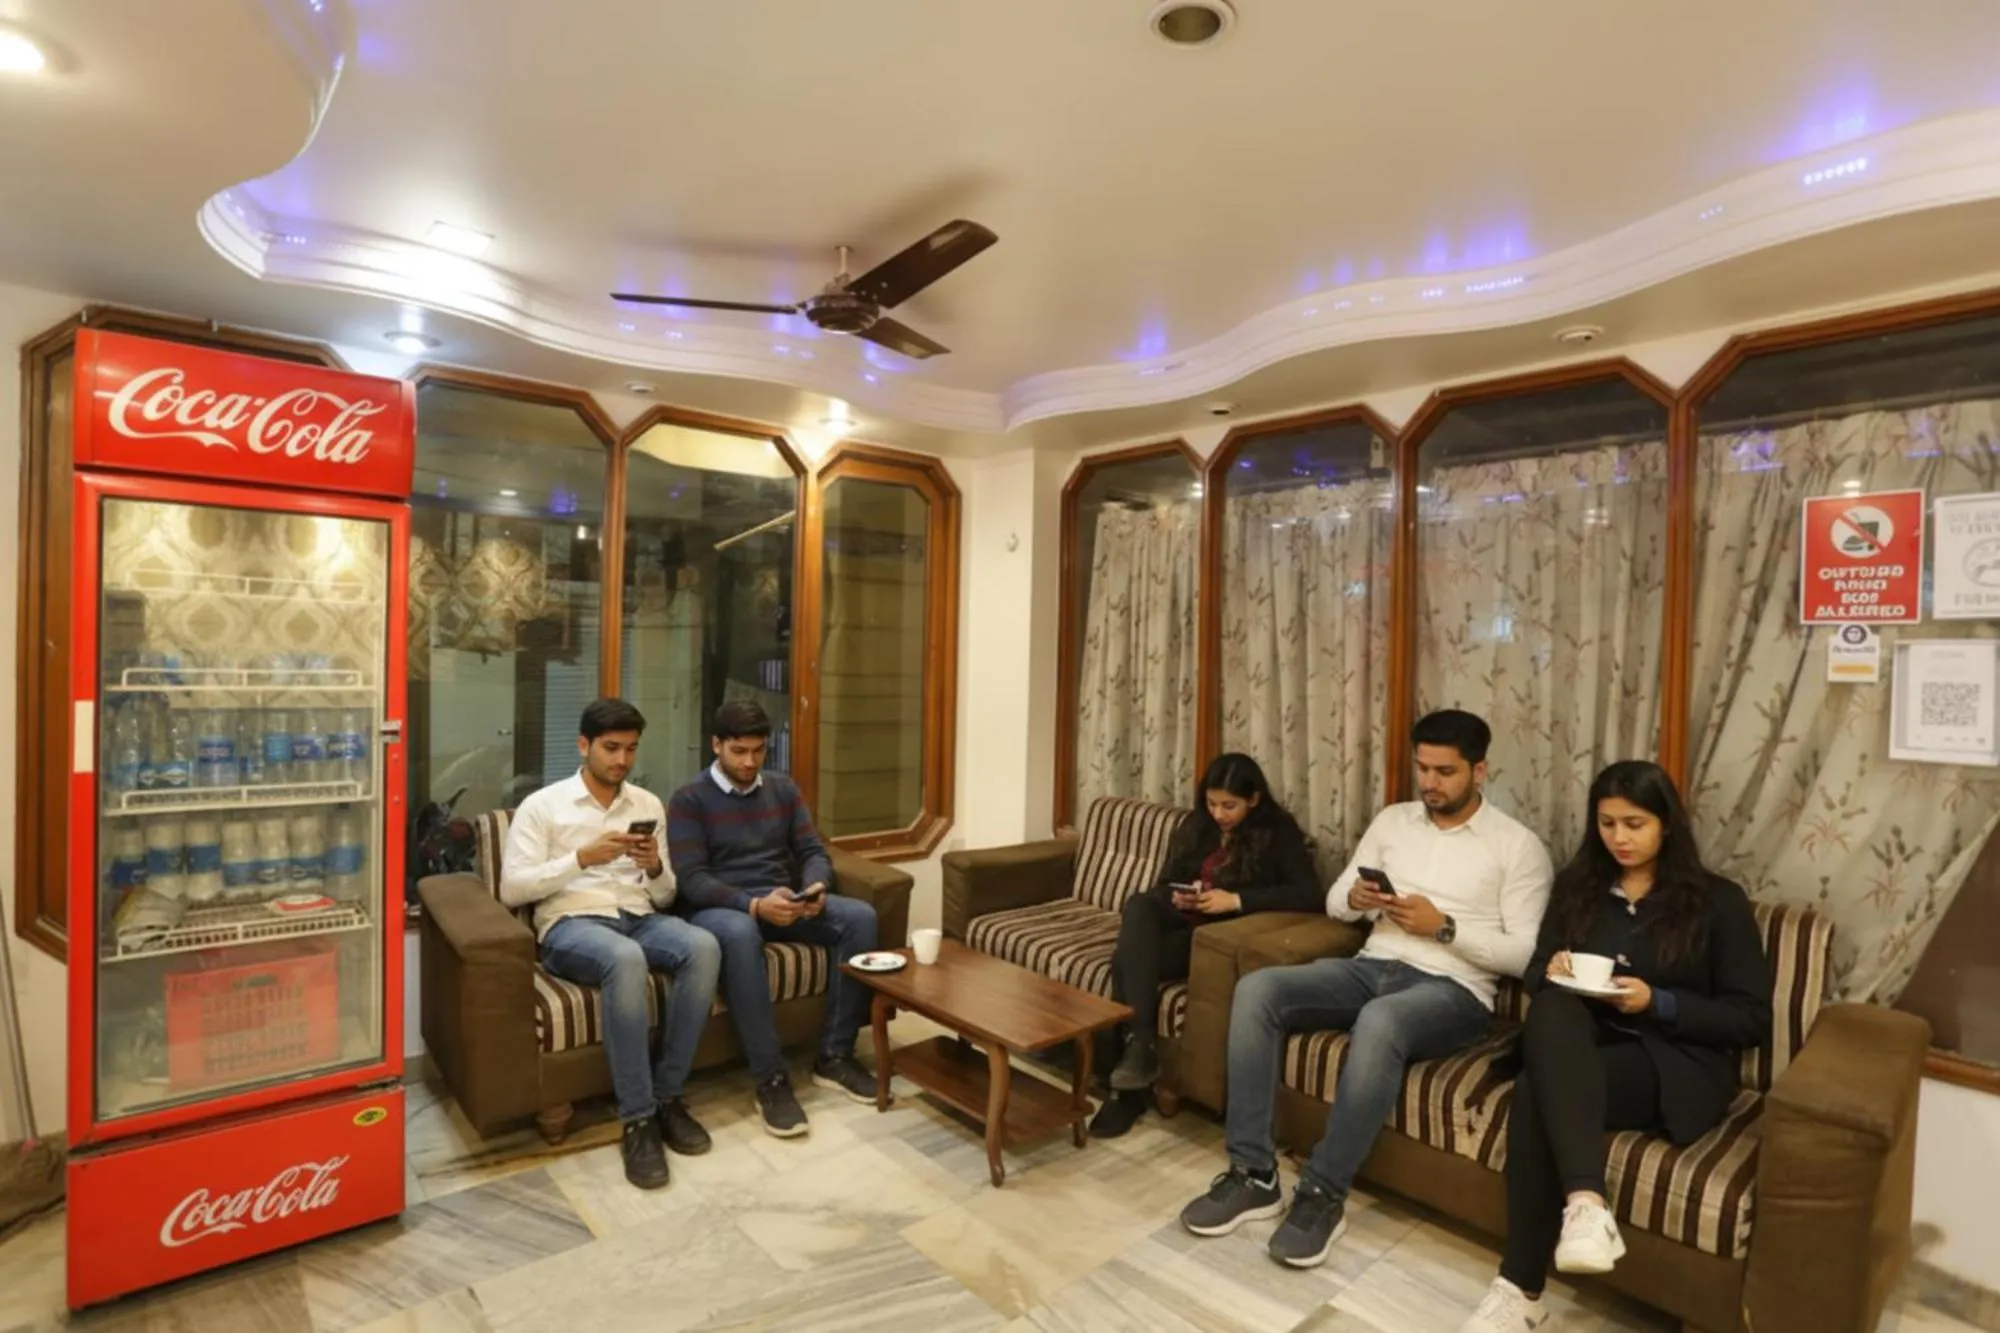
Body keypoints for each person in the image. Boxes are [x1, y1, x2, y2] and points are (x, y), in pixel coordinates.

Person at [1179, 709, 1552, 1269]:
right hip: (1372, 964)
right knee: (1258, 991)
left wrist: (1444, 927)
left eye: (1445, 772)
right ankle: (1253, 1174)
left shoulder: (1518, 848)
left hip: (1454, 991)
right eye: (1422, 768)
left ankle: (1323, 1194)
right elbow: (1333, 899)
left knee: (1381, 1022)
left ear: (1480, 771)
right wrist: (1356, 901)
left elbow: (1526, 956)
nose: (1429, 783)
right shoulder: (1394, 821)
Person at [1459, 760, 1771, 1333]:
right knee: (1552, 1004)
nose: (1620, 838)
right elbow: (1533, 974)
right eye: (1607, 824)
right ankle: (1586, 1207)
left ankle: (1522, 1288)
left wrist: (1658, 1002)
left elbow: (1751, 1018)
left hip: (1676, 1061)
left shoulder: (1717, 902)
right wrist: (1552, 970)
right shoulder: (1579, 888)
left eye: (1635, 824)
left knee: (1536, 1089)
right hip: (1583, 1044)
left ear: (1667, 826)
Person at [499, 698, 719, 1192]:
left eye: (631, 750)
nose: (621, 760)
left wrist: (654, 867)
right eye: (611, 748)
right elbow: (512, 889)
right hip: (572, 923)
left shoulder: (646, 805)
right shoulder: (544, 806)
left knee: (703, 946)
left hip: (637, 915)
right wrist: (581, 857)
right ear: (584, 745)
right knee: (625, 958)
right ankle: (638, 1119)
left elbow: (663, 896)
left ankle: (667, 1098)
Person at [666, 699, 879, 1138]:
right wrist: (752, 904)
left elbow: (813, 852)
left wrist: (817, 886)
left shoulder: (783, 790)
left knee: (860, 918)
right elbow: (691, 879)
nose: (749, 761)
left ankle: (835, 1057)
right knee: (743, 932)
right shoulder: (690, 799)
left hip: (783, 900)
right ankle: (771, 1079)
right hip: (720, 910)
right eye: (738, 751)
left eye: (758, 751)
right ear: (716, 745)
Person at [1091, 752, 1322, 1139]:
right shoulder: (1197, 826)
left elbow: (1309, 895)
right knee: (1140, 907)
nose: (1219, 814)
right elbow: (1166, 880)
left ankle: (1127, 1086)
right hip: (1183, 918)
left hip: (1215, 939)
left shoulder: (1279, 834)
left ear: (1254, 799)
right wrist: (1183, 895)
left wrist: (1236, 900)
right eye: (1212, 803)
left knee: (1126, 962)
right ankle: (1142, 1047)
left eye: (1229, 806)